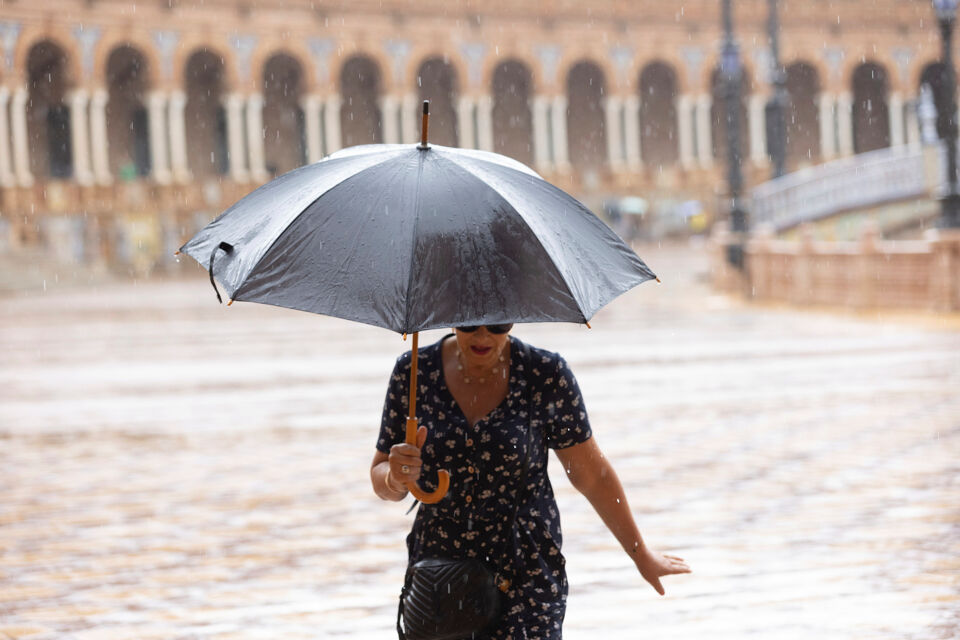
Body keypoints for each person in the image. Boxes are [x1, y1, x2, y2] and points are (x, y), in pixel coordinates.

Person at [371, 325, 690, 638]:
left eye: (498, 323)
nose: (483, 335)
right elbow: (381, 476)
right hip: (439, 573)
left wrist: (639, 553)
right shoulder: (413, 372)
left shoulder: (546, 375)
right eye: (470, 323)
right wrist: (396, 477)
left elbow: (593, 477)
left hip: (526, 574)